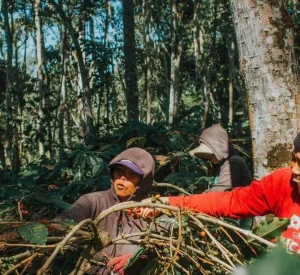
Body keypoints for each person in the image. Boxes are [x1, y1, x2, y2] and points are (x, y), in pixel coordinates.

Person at [139, 133, 300, 254]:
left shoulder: (234, 163)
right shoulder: (283, 183)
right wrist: (168, 203)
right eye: (294, 159)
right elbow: (228, 201)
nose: (294, 169)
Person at [55, 147, 155, 275]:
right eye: (119, 171)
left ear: (144, 181)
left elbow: (162, 247)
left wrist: (138, 258)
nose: (123, 178)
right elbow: (66, 220)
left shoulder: (152, 209)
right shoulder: (93, 201)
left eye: (132, 174)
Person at [189, 124, 252, 192]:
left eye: (210, 155)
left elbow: (219, 192)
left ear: (219, 150)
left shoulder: (233, 162)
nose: (209, 159)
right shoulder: (224, 164)